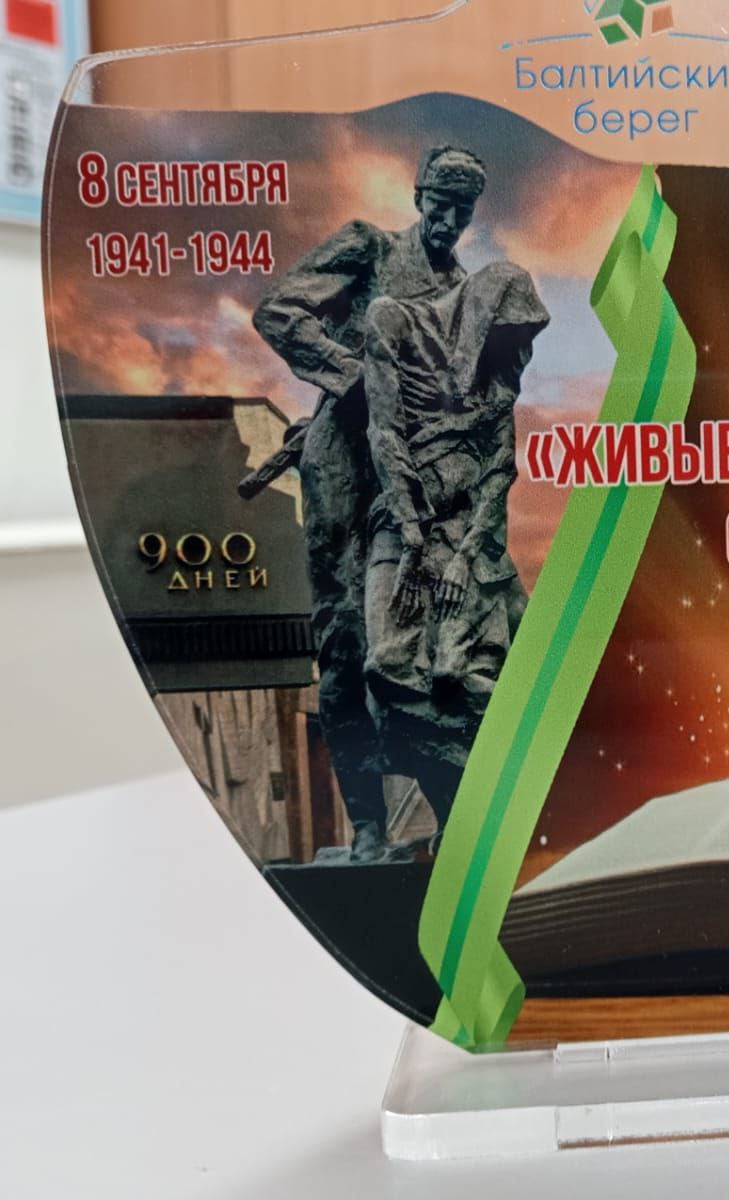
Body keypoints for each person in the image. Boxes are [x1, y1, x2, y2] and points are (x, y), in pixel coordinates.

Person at [253, 145, 549, 863]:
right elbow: (279, 313)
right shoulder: (369, 249)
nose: (448, 222)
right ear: (418, 196)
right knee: (345, 640)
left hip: (431, 479)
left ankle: (452, 816)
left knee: (433, 643)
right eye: (439, 205)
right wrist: (359, 375)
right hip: (348, 465)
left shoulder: (470, 294)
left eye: (462, 211)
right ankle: (366, 827)